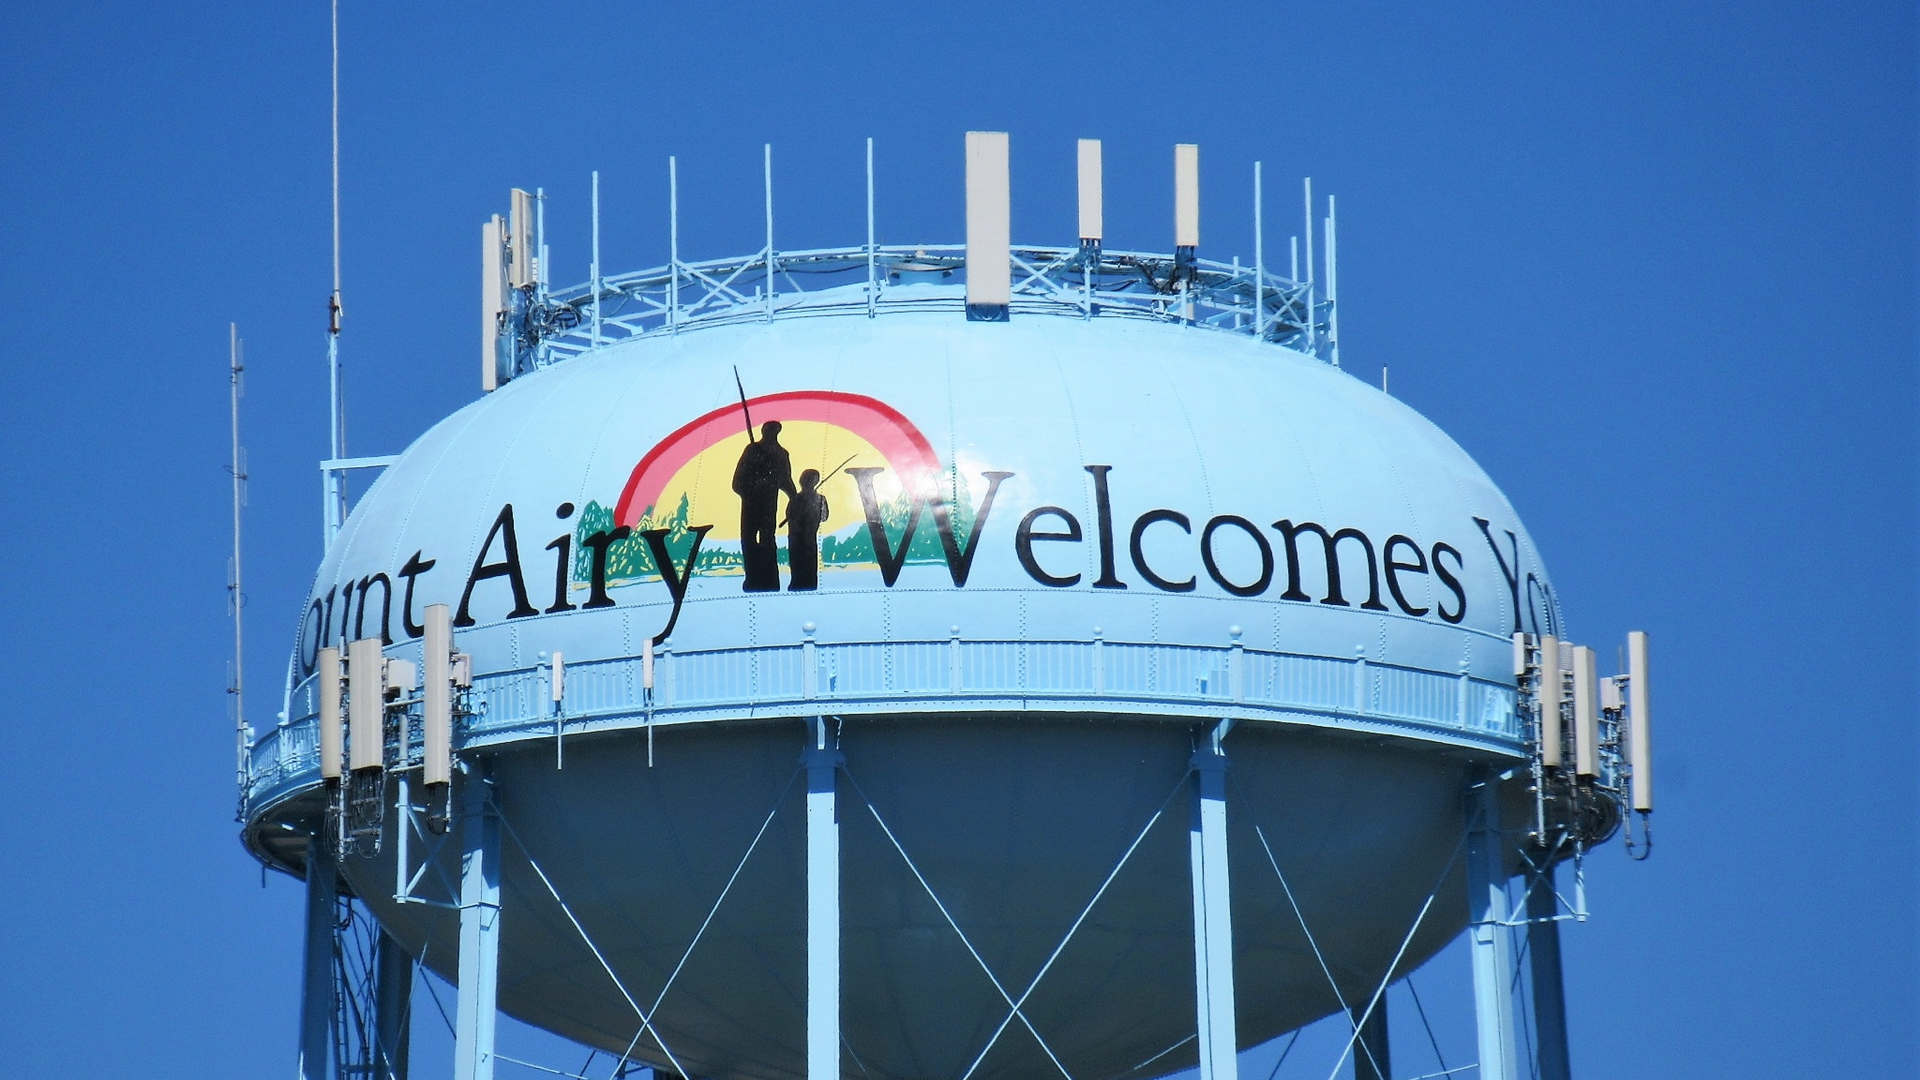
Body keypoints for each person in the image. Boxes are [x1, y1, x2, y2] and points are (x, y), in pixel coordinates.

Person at [731, 420, 795, 591]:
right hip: (751, 502)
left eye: (770, 430)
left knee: (767, 538)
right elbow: (738, 479)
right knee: (748, 538)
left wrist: (793, 497)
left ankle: (769, 579)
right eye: (766, 429)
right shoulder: (752, 450)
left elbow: (785, 479)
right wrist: (748, 491)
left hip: (768, 503)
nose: (767, 432)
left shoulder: (781, 454)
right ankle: (752, 577)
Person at [784, 469, 829, 591]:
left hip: (809, 538)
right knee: (797, 563)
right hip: (796, 537)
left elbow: (824, 517)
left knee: (809, 564)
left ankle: (808, 585)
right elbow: (790, 516)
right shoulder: (796, 498)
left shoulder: (820, 499)